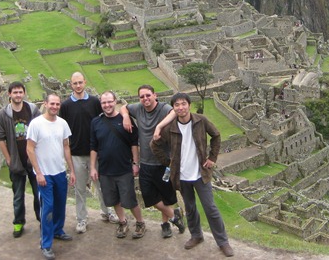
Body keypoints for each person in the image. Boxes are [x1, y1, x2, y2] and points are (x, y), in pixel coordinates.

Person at [151, 92, 234, 257]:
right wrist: (169, 163)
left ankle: (223, 242)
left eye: (183, 104)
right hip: (182, 177)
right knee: (189, 208)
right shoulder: (170, 128)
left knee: (210, 208)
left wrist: (212, 158)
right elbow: (154, 145)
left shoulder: (200, 121)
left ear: (189, 105)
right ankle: (196, 236)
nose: (181, 107)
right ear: (173, 108)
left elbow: (216, 135)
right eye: (177, 105)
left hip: (200, 175)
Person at [120, 84, 185, 238]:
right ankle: (174, 216)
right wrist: (125, 116)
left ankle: (165, 224)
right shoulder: (138, 109)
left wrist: (159, 126)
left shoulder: (163, 108)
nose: (145, 99)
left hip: (163, 162)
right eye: (142, 96)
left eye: (148, 95)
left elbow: (174, 112)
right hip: (146, 163)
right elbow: (124, 107)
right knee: (150, 197)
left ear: (155, 95)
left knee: (165, 195)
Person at [59, 72, 118, 234]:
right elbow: (63, 130)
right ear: (71, 85)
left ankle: (107, 212)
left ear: (85, 82)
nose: (78, 86)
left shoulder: (94, 102)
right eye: (75, 83)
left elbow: (104, 119)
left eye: (80, 82)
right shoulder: (65, 106)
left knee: (102, 186)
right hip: (76, 154)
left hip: (95, 153)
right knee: (80, 189)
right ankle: (81, 219)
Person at [89, 90, 146, 240]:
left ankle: (140, 222)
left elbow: (134, 143)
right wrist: (93, 167)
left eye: (109, 102)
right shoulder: (96, 122)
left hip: (124, 168)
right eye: (104, 102)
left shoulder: (125, 119)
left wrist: (135, 163)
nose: (107, 105)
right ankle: (122, 221)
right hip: (106, 169)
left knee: (130, 199)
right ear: (100, 104)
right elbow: (93, 146)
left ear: (115, 102)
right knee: (114, 199)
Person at [27, 94, 76, 260]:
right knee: (47, 208)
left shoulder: (62, 123)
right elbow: (30, 149)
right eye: (52, 104)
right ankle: (46, 244)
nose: (55, 106)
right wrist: (38, 172)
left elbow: (66, 147)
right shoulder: (36, 124)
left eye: (57, 104)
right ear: (45, 104)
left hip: (59, 172)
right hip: (44, 175)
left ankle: (58, 230)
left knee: (60, 205)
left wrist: (71, 170)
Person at [0, 81, 41, 238]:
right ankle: (18, 222)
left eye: (20, 92)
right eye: (15, 92)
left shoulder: (32, 109)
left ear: (24, 93)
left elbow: (40, 131)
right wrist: (8, 158)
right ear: (9, 94)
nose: (18, 95)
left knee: (38, 193)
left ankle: (42, 220)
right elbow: (0, 138)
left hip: (33, 160)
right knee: (18, 195)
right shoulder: (3, 114)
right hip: (16, 160)